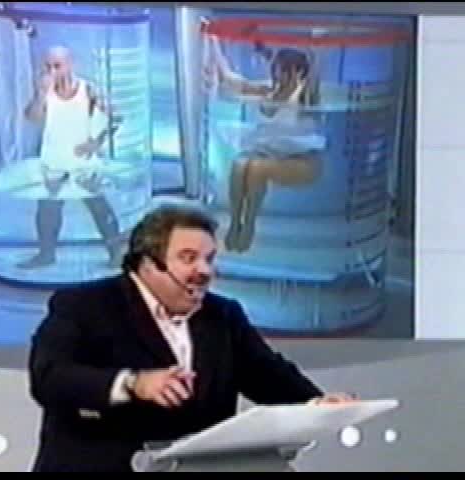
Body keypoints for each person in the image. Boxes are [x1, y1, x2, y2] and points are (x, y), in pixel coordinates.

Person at [28, 204, 355, 472]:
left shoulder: (223, 315)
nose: (205, 271)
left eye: (209, 259)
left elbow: (268, 374)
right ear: (148, 263)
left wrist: (316, 405)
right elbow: (50, 377)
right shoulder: (84, 305)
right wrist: (134, 384)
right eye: (188, 258)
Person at [204, 33, 327, 253]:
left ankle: (249, 226)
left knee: (256, 168)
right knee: (239, 164)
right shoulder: (269, 91)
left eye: (283, 70)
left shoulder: (305, 96)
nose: (278, 74)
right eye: (277, 69)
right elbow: (230, 81)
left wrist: (316, 44)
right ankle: (235, 223)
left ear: (297, 72)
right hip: (268, 154)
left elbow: (316, 73)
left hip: (302, 161)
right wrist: (214, 41)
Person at [18, 46, 123, 269]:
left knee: (98, 206)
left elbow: (117, 116)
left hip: (83, 163)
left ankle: (116, 252)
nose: (52, 71)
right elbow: (32, 118)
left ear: (70, 65)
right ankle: (46, 255)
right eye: (47, 67)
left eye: (57, 66)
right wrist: (41, 94)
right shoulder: (44, 92)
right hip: (53, 161)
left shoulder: (88, 90)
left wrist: (96, 143)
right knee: (48, 210)